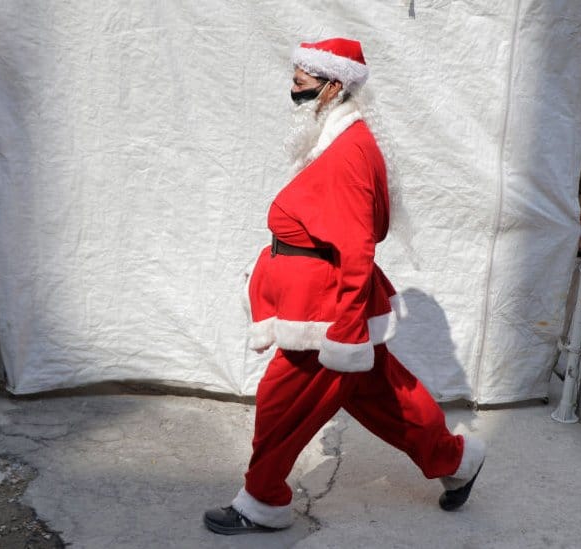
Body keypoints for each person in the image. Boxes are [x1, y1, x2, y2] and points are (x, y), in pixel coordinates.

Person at [203, 37, 487, 535]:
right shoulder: (334, 136)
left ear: (332, 87)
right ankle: (453, 460)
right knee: (385, 395)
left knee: (280, 403)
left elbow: (357, 248)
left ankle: (262, 501)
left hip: (326, 316)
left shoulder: (350, 150)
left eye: (300, 84)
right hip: (318, 303)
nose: (292, 91)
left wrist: (347, 331)